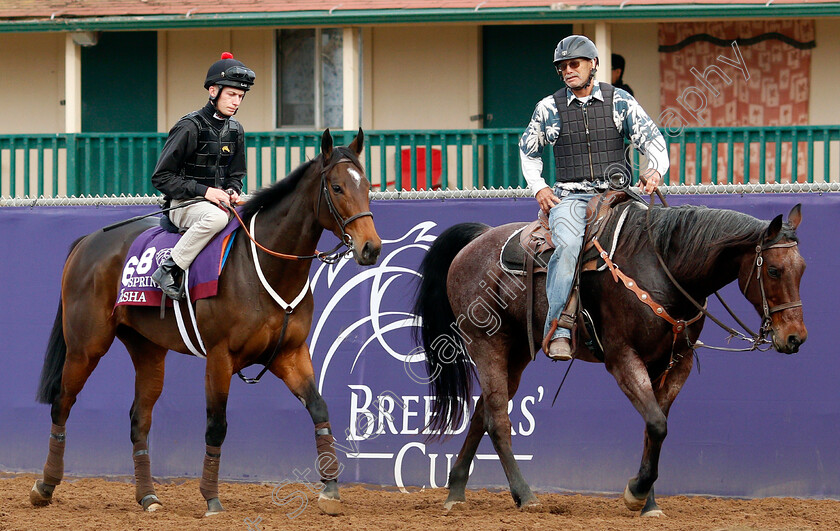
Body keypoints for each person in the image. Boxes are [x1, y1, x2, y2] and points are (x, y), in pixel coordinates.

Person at [519, 35, 669, 361]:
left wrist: (655, 170)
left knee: (657, 236)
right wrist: (540, 187)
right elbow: (528, 152)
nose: (569, 71)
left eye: (575, 64)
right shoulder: (547, 108)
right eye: (563, 67)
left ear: (593, 65)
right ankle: (558, 329)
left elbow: (653, 140)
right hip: (570, 199)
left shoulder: (621, 101)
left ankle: (671, 324)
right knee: (569, 246)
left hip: (619, 194)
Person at [150, 52, 255, 300]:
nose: (236, 102)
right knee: (217, 219)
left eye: (240, 96)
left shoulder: (236, 130)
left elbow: (236, 174)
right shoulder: (189, 127)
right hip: (183, 205)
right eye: (231, 94)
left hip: (219, 203)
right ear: (213, 91)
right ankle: (169, 268)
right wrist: (206, 192)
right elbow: (161, 178)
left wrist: (232, 190)